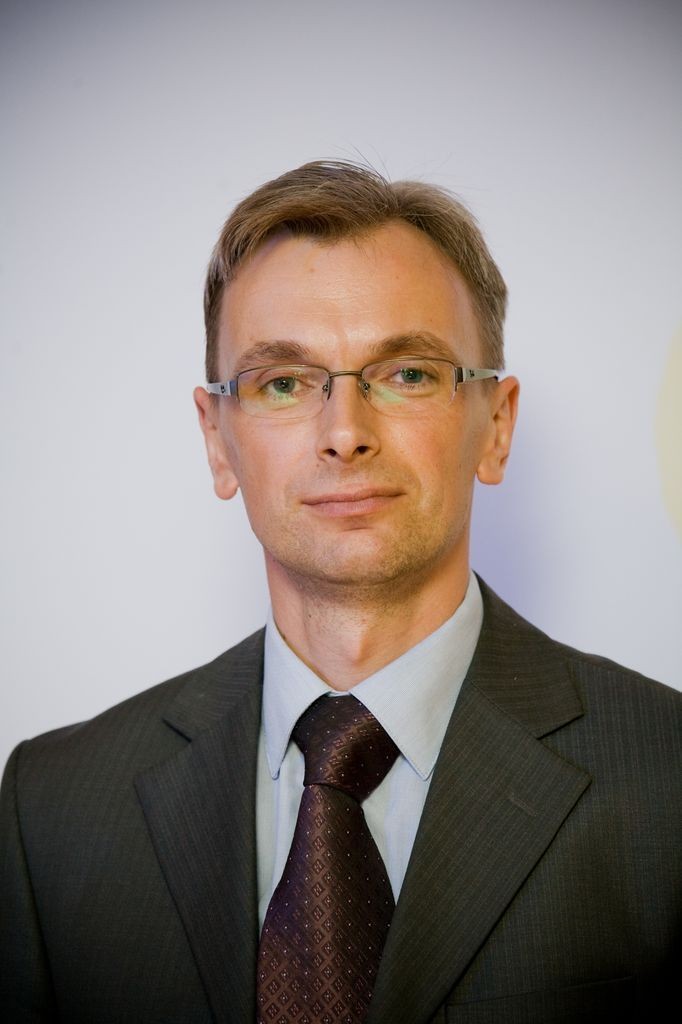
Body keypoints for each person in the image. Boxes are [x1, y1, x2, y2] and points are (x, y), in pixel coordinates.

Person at [1, 161, 679, 1024]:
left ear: (496, 426)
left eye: (408, 374)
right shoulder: (51, 808)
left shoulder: (668, 780)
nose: (345, 434)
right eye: (283, 383)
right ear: (217, 441)